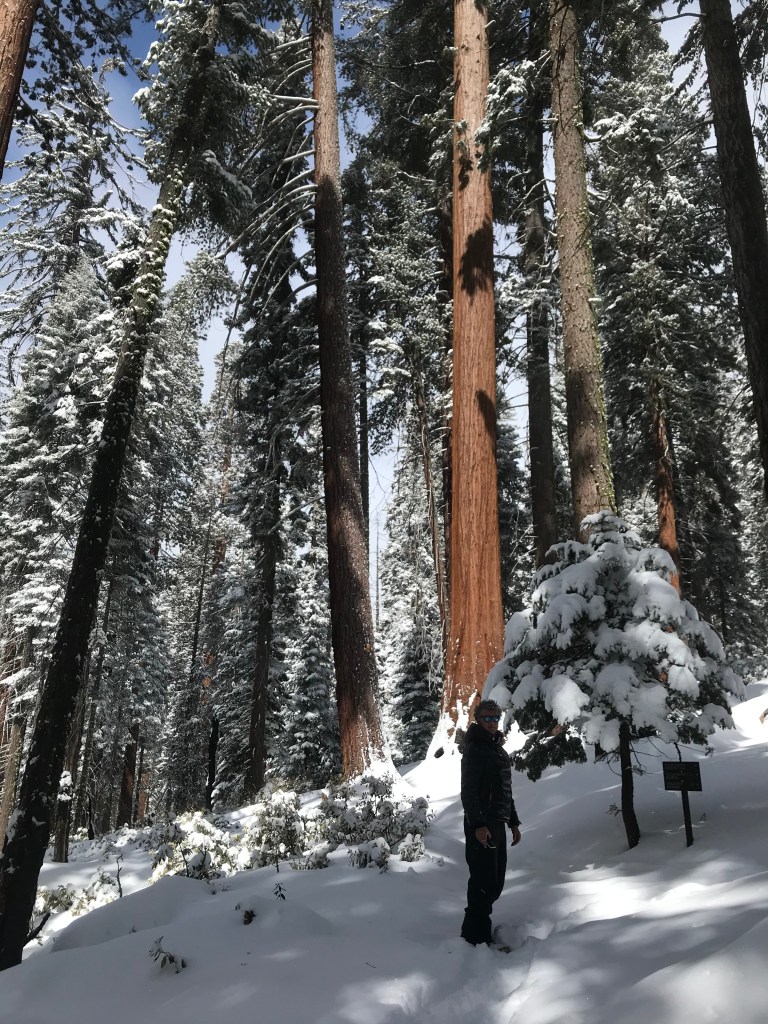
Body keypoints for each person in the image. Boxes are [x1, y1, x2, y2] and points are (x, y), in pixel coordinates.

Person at [460, 698, 521, 947]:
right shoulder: (475, 748)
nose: (492, 722)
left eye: (495, 717)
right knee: (483, 880)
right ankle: (475, 937)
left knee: (495, 881)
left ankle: (479, 932)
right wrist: (478, 825)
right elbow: (469, 792)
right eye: (487, 718)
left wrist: (513, 821)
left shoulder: (497, 749)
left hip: (496, 822)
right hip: (482, 824)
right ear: (478, 719)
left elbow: (504, 790)